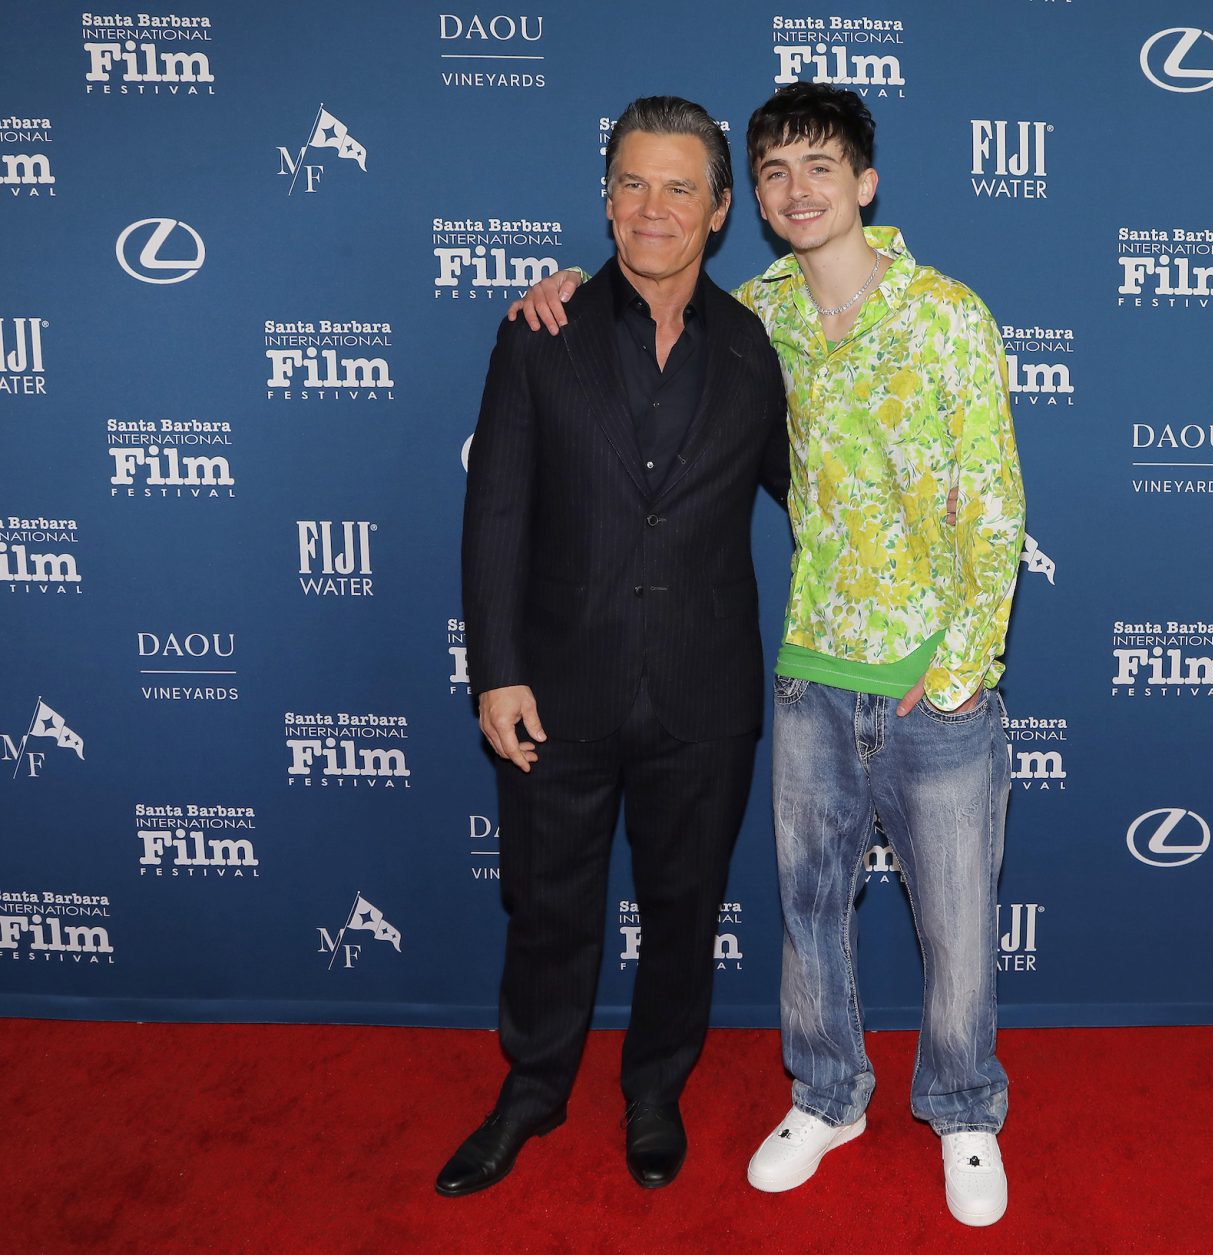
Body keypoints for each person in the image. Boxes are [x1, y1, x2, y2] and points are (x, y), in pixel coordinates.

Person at [513, 84, 1025, 1228]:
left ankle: (963, 1108)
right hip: (806, 675)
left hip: (934, 683)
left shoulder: (948, 315)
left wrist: (958, 668)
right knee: (809, 912)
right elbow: (645, 309)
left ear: (866, 183)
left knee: (957, 923)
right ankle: (828, 1094)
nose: (799, 191)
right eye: (777, 172)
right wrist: (562, 291)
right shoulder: (758, 320)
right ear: (751, 197)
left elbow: (996, 505)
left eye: (821, 167)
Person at [441, 95, 789, 1199]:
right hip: (557, 686)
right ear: (605, 200)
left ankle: (655, 1090)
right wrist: (496, 668)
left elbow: (825, 496)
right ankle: (533, 1088)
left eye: (680, 187)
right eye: (632, 183)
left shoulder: (759, 348)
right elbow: (495, 510)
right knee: (547, 905)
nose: (653, 208)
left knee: (684, 909)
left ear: (721, 210)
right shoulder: (539, 331)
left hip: (704, 688)